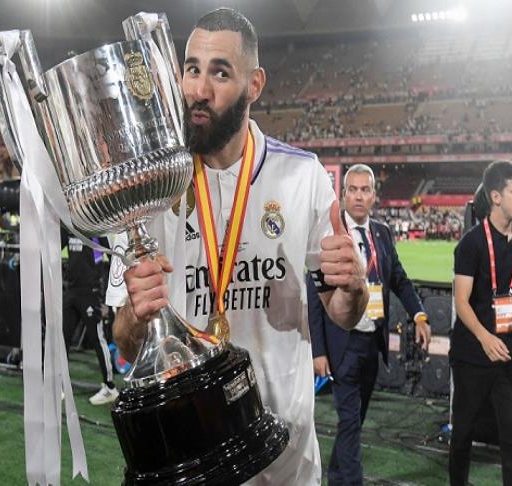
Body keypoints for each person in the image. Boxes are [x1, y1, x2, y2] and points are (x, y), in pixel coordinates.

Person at [106, 8, 367, 485]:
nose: (200, 90)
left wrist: (353, 285)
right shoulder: (149, 189)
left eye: (221, 73)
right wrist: (136, 315)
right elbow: (125, 340)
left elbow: (344, 314)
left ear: (255, 84)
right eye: (192, 69)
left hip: (285, 463)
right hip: (191, 457)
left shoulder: (302, 175)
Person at [306, 164, 431, 485]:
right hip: (342, 343)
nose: (359, 196)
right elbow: (315, 297)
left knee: (355, 421)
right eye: (353, 189)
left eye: (365, 189)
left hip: (372, 341)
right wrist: (318, 351)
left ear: (375, 195)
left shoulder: (382, 233)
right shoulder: (329, 236)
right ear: (343, 194)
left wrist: (419, 314)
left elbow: (399, 279)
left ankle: (337, 477)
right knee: (349, 421)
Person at [449, 160, 512, 486]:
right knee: (462, 435)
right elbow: (461, 301)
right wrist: (484, 337)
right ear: (495, 196)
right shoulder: (471, 243)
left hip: (509, 355)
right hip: (472, 356)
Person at [62, 231, 118, 405]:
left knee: (97, 339)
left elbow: (112, 256)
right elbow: (54, 247)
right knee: (62, 338)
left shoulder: (94, 227)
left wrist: (111, 293)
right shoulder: (67, 226)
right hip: (71, 291)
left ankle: (110, 387)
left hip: (90, 292)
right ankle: (60, 384)